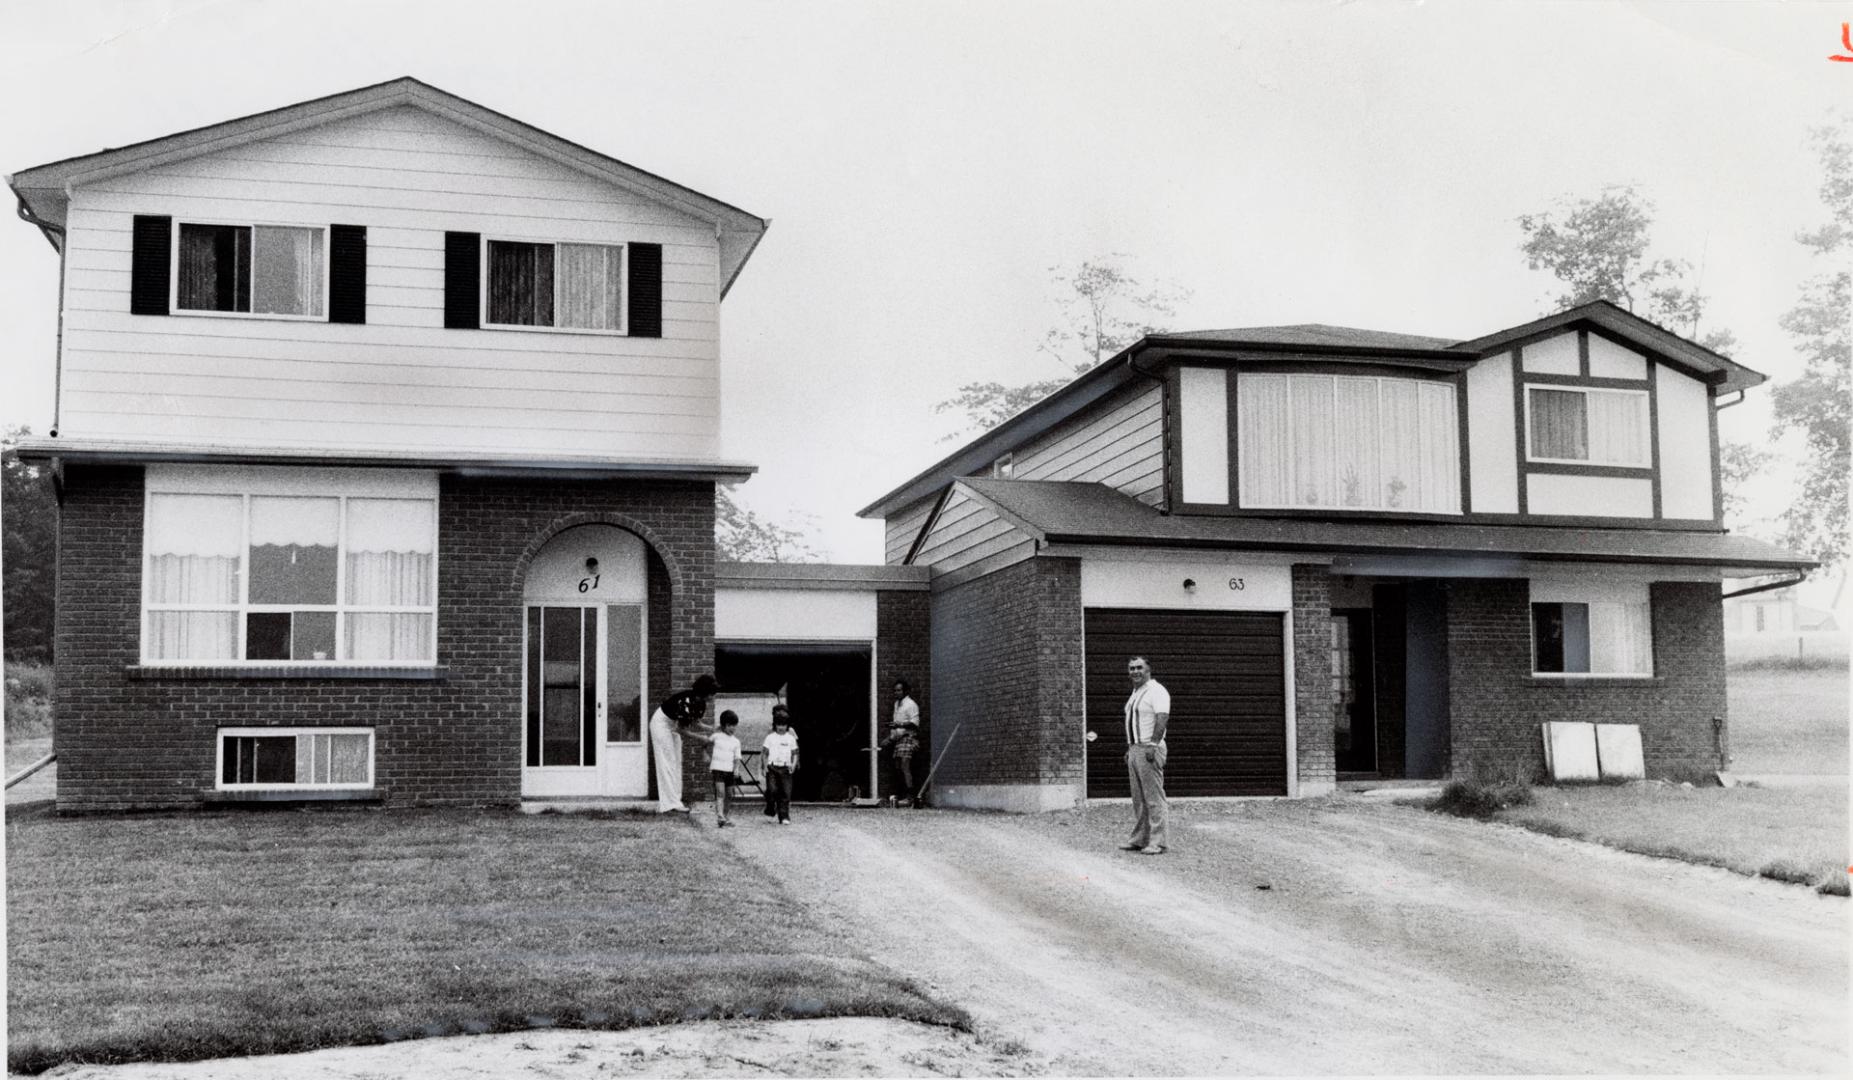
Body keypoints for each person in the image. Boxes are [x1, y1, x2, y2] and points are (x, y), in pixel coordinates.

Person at [1119, 656, 1170, 855]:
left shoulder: (1156, 691)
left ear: (1148, 669)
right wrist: (1130, 748)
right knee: (1139, 798)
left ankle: (1158, 842)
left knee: (1154, 797)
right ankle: (1140, 838)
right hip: (1135, 749)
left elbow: (1162, 717)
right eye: (1131, 668)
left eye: (1139, 667)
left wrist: (1153, 744)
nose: (1135, 672)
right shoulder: (1136, 692)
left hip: (1149, 748)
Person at [649, 674, 719, 814]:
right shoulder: (688, 700)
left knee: (676, 762)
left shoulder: (700, 703)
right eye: (712, 693)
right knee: (667, 763)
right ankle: (669, 805)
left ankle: (676, 801)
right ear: (705, 692)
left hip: (672, 725)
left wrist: (713, 729)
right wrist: (701, 738)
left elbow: (696, 722)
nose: (713, 696)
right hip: (661, 724)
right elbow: (681, 729)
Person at [881, 679, 923, 807]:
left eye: (899, 690)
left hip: (908, 738)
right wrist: (890, 738)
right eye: (895, 690)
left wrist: (900, 724)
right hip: (899, 739)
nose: (896, 692)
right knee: (898, 767)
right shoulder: (896, 705)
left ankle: (910, 797)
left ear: (905, 691)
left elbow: (915, 724)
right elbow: (896, 725)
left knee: (905, 765)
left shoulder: (911, 704)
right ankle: (904, 795)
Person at [760, 704, 800, 824]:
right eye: (778, 724)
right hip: (772, 766)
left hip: (786, 766)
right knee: (772, 789)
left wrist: (795, 763)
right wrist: (763, 766)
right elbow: (764, 752)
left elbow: (795, 751)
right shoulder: (770, 735)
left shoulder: (791, 734)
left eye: (783, 724)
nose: (781, 727)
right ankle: (771, 806)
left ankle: (784, 816)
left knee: (785, 792)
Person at [708, 710, 743, 828]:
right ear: (723, 725)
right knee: (720, 793)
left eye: (734, 725)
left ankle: (725, 815)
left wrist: (736, 769)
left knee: (729, 794)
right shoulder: (716, 736)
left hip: (730, 770)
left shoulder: (736, 741)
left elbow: (737, 757)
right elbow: (706, 743)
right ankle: (719, 816)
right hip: (718, 769)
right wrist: (705, 755)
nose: (732, 728)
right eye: (729, 725)